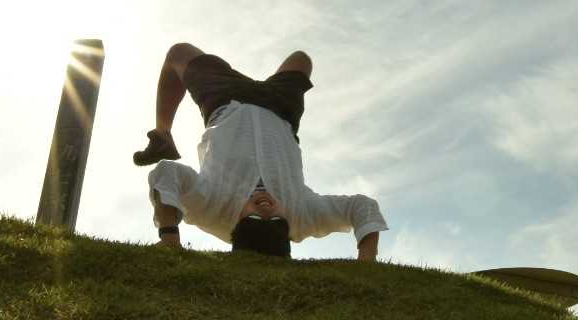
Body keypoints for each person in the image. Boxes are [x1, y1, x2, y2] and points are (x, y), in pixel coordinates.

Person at [133, 42, 387, 261]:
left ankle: (163, 135)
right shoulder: (302, 215)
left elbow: (167, 173)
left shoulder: (212, 209)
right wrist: (367, 260)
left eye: (254, 219)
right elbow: (362, 206)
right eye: (276, 221)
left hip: (225, 99)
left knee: (178, 53)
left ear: (236, 225)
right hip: (279, 107)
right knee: (301, 59)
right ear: (287, 228)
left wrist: (169, 237)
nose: (266, 210)